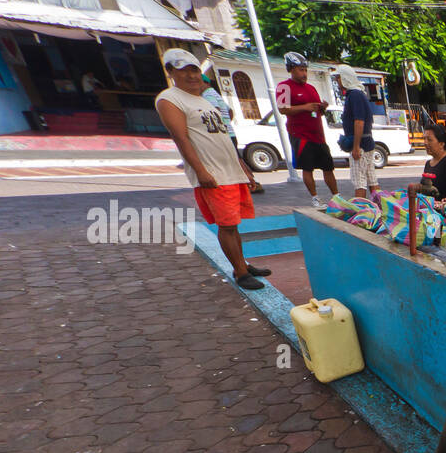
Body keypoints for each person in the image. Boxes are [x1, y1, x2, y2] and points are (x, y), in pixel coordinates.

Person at [155, 48, 269, 291]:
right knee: (226, 225)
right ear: (171, 71)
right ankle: (240, 272)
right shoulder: (169, 99)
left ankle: (244, 264)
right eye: (183, 70)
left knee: (233, 223)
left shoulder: (204, 101)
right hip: (213, 175)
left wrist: (243, 168)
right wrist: (202, 172)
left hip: (230, 171)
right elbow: (181, 138)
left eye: (194, 70)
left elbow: (224, 137)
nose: (192, 75)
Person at [276, 51, 337, 208]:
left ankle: (336, 196)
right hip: (301, 135)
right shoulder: (284, 87)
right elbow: (282, 109)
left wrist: (322, 108)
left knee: (328, 167)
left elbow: (318, 111)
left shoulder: (311, 88)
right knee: (307, 168)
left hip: (318, 135)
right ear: (291, 69)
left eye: (305, 70)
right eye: (300, 70)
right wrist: (304, 107)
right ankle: (315, 197)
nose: (304, 73)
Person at [336, 64, 379, 197]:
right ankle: (382, 207)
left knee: (359, 180)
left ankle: (362, 211)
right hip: (366, 142)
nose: (337, 82)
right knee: (371, 178)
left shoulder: (354, 95)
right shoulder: (357, 94)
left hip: (361, 145)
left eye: (338, 78)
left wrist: (355, 146)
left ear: (344, 78)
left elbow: (359, 121)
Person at [420, 123, 446, 201]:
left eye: (429, 139)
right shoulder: (428, 164)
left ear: (441, 143)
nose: (425, 143)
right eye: (424, 139)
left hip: (441, 212)